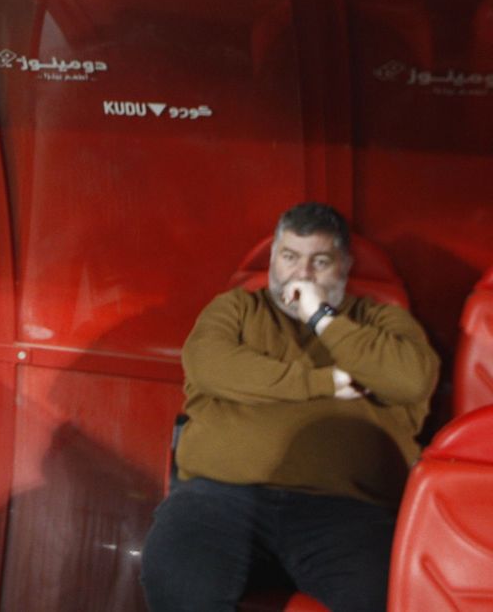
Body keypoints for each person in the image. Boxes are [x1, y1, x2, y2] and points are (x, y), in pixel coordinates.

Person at [141, 202, 439, 612]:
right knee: (178, 584)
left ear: (345, 267)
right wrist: (325, 383)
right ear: (273, 261)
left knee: (385, 598)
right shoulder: (237, 308)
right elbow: (208, 364)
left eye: (320, 261)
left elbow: (411, 379)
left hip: (346, 512)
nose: (302, 275)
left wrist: (322, 318)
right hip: (220, 499)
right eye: (290, 257)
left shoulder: (381, 321)